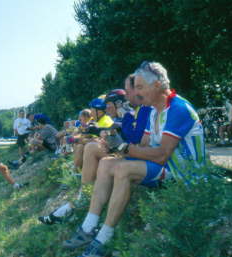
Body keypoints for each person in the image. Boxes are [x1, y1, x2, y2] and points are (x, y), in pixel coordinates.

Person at [62, 61, 205, 257]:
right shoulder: (155, 110)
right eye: (135, 88)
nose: (137, 94)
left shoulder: (178, 109)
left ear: (157, 85)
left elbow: (161, 155)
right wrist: (117, 147)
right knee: (106, 164)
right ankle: (88, 226)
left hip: (185, 172)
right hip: (166, 166)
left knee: (123, 168)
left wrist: (124, 149)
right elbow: (144, 144)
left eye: (139, 87)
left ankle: (103, 237)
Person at [38, 76, 151, 225]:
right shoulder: (130, 114)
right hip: (130, 153)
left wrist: (100, 134)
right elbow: (122, 133)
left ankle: (82, 196)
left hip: (139, 157)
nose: (106, 108)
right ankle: (81, 194)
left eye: (108, 105)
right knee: (89, 147)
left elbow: (131, 137)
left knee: (90, 147)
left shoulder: (138, 111)